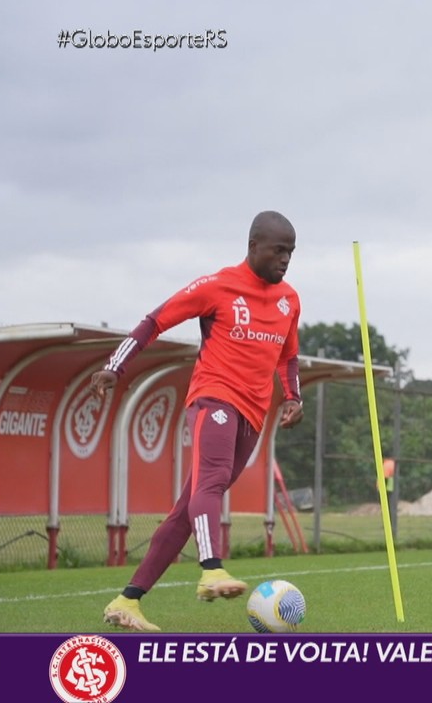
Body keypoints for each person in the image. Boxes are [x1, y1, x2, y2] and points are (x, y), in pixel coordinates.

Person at [99, 211, 303, 632]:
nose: (285, 260)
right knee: (210, 483)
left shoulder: (289, 299)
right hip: (214, 398)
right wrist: (114, 366)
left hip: (253, 413)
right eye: (278, 250)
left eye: (291, 252)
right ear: (253, 247)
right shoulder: (217, 286)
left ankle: (127, 602)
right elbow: (156, 320)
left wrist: (294, 397)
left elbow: (288, 355)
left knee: (185, 513)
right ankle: (211, 569)